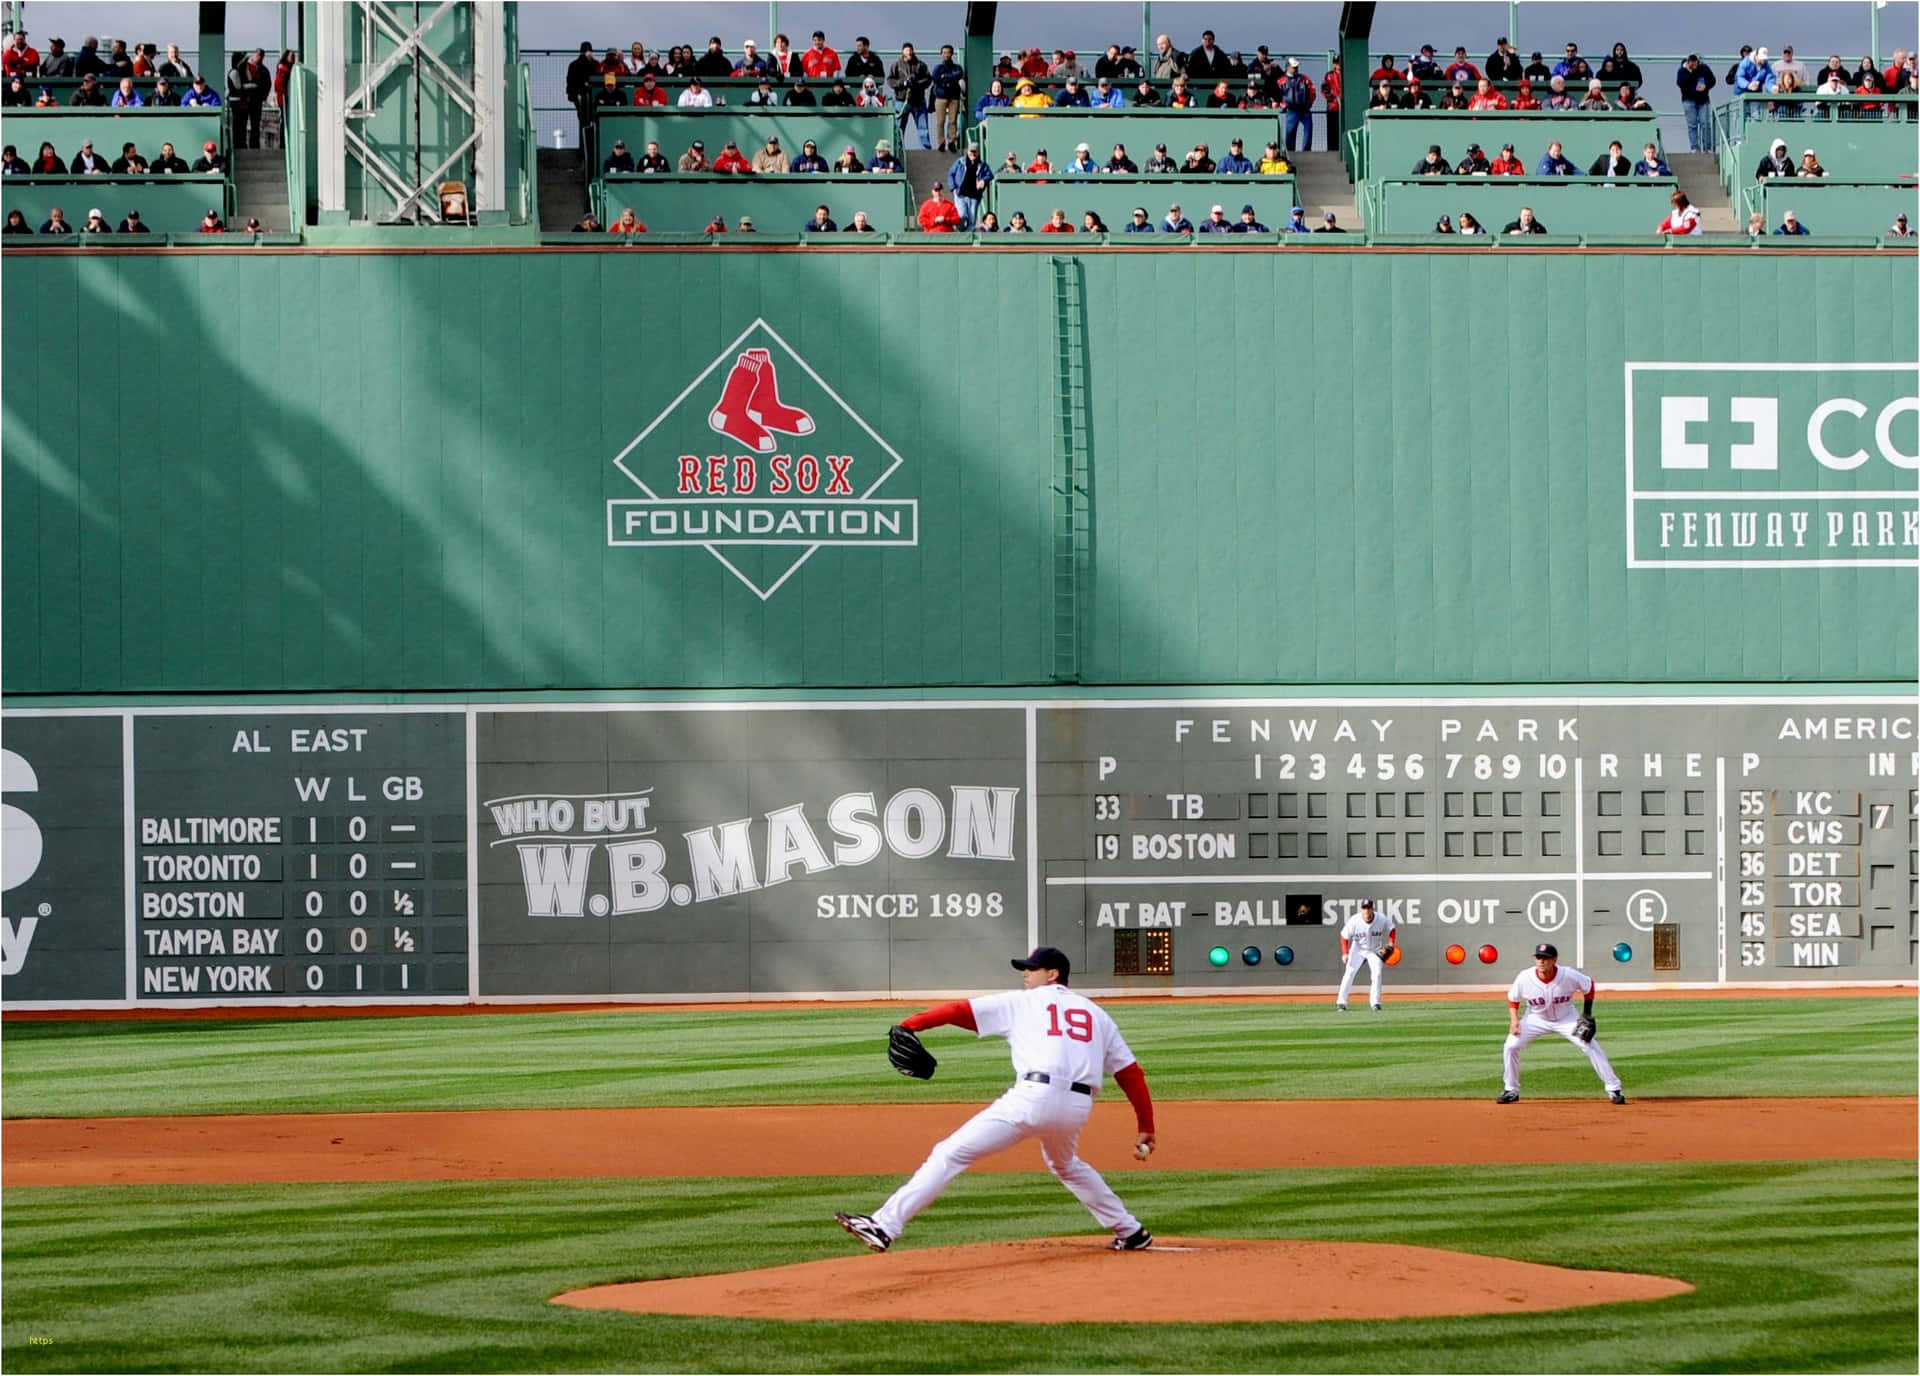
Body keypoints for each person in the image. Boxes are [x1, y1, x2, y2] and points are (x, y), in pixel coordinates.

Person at [833, 946, 1157, 1255]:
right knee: (1066, 1165)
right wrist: (1146, 1126)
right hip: (1076, 1107)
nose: (1026, 974)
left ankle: (885, 1225)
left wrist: (910, 1024)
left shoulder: (1023, 1002)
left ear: (1053, 974)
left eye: (1033, 969)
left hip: (1034, 1098)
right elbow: (1130, 1073)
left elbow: (960, 1012)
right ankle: (1130, 1231)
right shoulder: (1096, 1014)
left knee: (951, 1152)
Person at [1499, 943, 1626, 1105]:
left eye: (1545, 958)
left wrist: (1586, 1013)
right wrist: (1514, 1021)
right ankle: (1511, 1090)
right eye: (1538, 957)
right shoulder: (1525, 977)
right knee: (1511, 1046)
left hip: (1567, 1018)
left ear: (1554, 960)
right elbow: (1513, 999)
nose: (1541, 961)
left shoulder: (1568, 975)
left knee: (1590, 1045)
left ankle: (1614, 1089)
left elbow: (1589, 986)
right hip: (1535, 1019)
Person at [1334, 898, 1396, 1010]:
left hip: (1375, 950)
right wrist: (1345, 953)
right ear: (1361, 909)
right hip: (1358, 949)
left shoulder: (1381, 918)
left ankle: (1375, 1003)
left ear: (1373, 909)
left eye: (1368, 908)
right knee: (1349, 972)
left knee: (1377, 974)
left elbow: (1392, 928)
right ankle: (1341, 1002)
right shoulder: (1354, 920)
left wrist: (1391, 943)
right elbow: (1344, 937)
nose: (1366, 910)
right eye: (1364, 908)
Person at [890, 42, 932, 148]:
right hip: (901, 100)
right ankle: (898, 149)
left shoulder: (921, 65)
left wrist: (917, 83)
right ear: (902, 51)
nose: (909, 52)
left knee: (923, 127)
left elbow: (928, 79)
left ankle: (926, 149)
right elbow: (890, 80)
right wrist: (903, 83)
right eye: (906, 50)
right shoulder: (896, 65)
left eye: (910, 50)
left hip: (918, 101)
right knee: (899, 127)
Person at [1675, 54, 1717, 151]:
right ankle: (1695, 147)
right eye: (1692, 63)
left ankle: (1708, 147)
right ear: (1688, 62)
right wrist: (1690, 72)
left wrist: (1706, 86)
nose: (1695, 66)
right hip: (1688, 101)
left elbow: (1713, 80)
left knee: (1705, 124)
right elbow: (1680, 83)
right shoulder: (1682, 71)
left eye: (1696, 63)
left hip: (1703, 101)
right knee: (1692, 125)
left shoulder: (1704, 68)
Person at [232, 48, 271, 148]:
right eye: (258, 55)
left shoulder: (264, 70)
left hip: (255, 101)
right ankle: (242, 145)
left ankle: (254, 145)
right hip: (245, 101)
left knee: (255, 125)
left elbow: (267, 85)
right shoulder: (243, 68)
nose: (259, 57)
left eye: (261, 55)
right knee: (243, 124)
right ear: (254, 55)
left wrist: (262, 97)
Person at [930, 43, 966, 149]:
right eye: (944, 53)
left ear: (952, 54)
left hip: (954, 97)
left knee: (953, 120)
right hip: (941, 97)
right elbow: (936, 78)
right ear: (941, 54)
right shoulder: (938, 67)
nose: (946, 55)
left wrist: (945, 77)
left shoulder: (957, 67)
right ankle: (941, 142)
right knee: (940, 121)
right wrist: (948, 79)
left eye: (948, 52)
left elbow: (958, 75)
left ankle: (951, 141)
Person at [947, 144, 991, 227]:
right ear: (968, 151)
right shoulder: (960, 162)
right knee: (962, 216)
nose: (973, 154)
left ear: (978, 153)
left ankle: (969, 238)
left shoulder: (982, 165)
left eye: (975, 152)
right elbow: (951, 174)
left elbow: (990, 174)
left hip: (974, 196)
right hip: (960, 195)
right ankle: (962, 235)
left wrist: (983, 180)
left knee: (972, 220)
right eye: (971, 151)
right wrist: (953, 188)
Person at [1278, 58, 1315, 151]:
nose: (1296, 68)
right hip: (1291, 110)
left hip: (1305, 110)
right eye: (1294, 67)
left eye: (1297, 67)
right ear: (1287, 67)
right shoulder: (1281, 81)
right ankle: (1290, 152)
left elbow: (1312, 92)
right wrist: (1282, 104)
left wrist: (1309, 104)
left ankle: (1306, 151)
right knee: (1290, 132)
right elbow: (1277, 95)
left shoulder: (1304, 79)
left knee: (1308, 130)